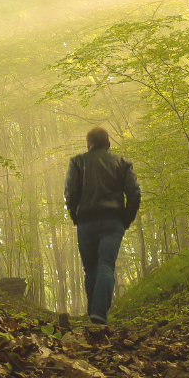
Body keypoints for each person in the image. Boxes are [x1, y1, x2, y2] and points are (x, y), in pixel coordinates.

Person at [64, 126, 141, 325]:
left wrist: (76, 216)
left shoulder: (78, 162)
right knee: (106, 265)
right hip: (113, 221)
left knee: (90, 269)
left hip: (86, 222)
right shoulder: (122, 163)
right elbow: (134, 193)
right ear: (108, 143)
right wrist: (125, 219)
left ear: (88, 144)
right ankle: (98, 315)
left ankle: (94, 316)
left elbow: (70, 193)